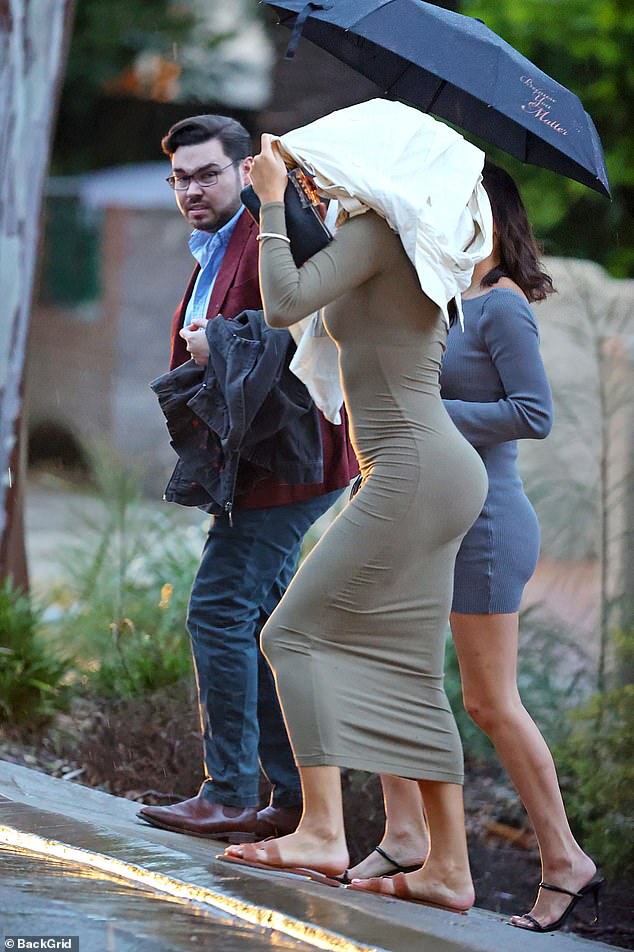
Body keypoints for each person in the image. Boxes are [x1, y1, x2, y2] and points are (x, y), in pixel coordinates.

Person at [223, 99, 492, 912]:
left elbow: (282, 301)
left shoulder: (381, 238)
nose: (315, 176)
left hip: (413, 467)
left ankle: (322, 830)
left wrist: (272, 202)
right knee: (406, 668)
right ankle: (447, 869)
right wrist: (294, 204)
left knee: (291, 631)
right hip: (428, 468)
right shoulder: (413, 243)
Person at [345, 162, 602, 933]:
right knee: (387, 666)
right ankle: (407, 837)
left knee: (491, 702)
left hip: (485, 523)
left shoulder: (502, 308)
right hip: (424, 512)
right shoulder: (445, 302)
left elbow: (532, 413)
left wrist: (431, 411)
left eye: (464, 210)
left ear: (495, 224)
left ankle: (564, 861)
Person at [137, 114, 358, 842]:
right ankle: (293, 798)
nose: (190, 189)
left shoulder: (276, 228)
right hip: (260, 459)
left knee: (219, 609)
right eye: (179, 177)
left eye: (206, 173)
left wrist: (217, 345)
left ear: (243, 170)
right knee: (262, 623)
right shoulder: (216, 242)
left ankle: (230, 791)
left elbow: (311, 322)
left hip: (294, 461)